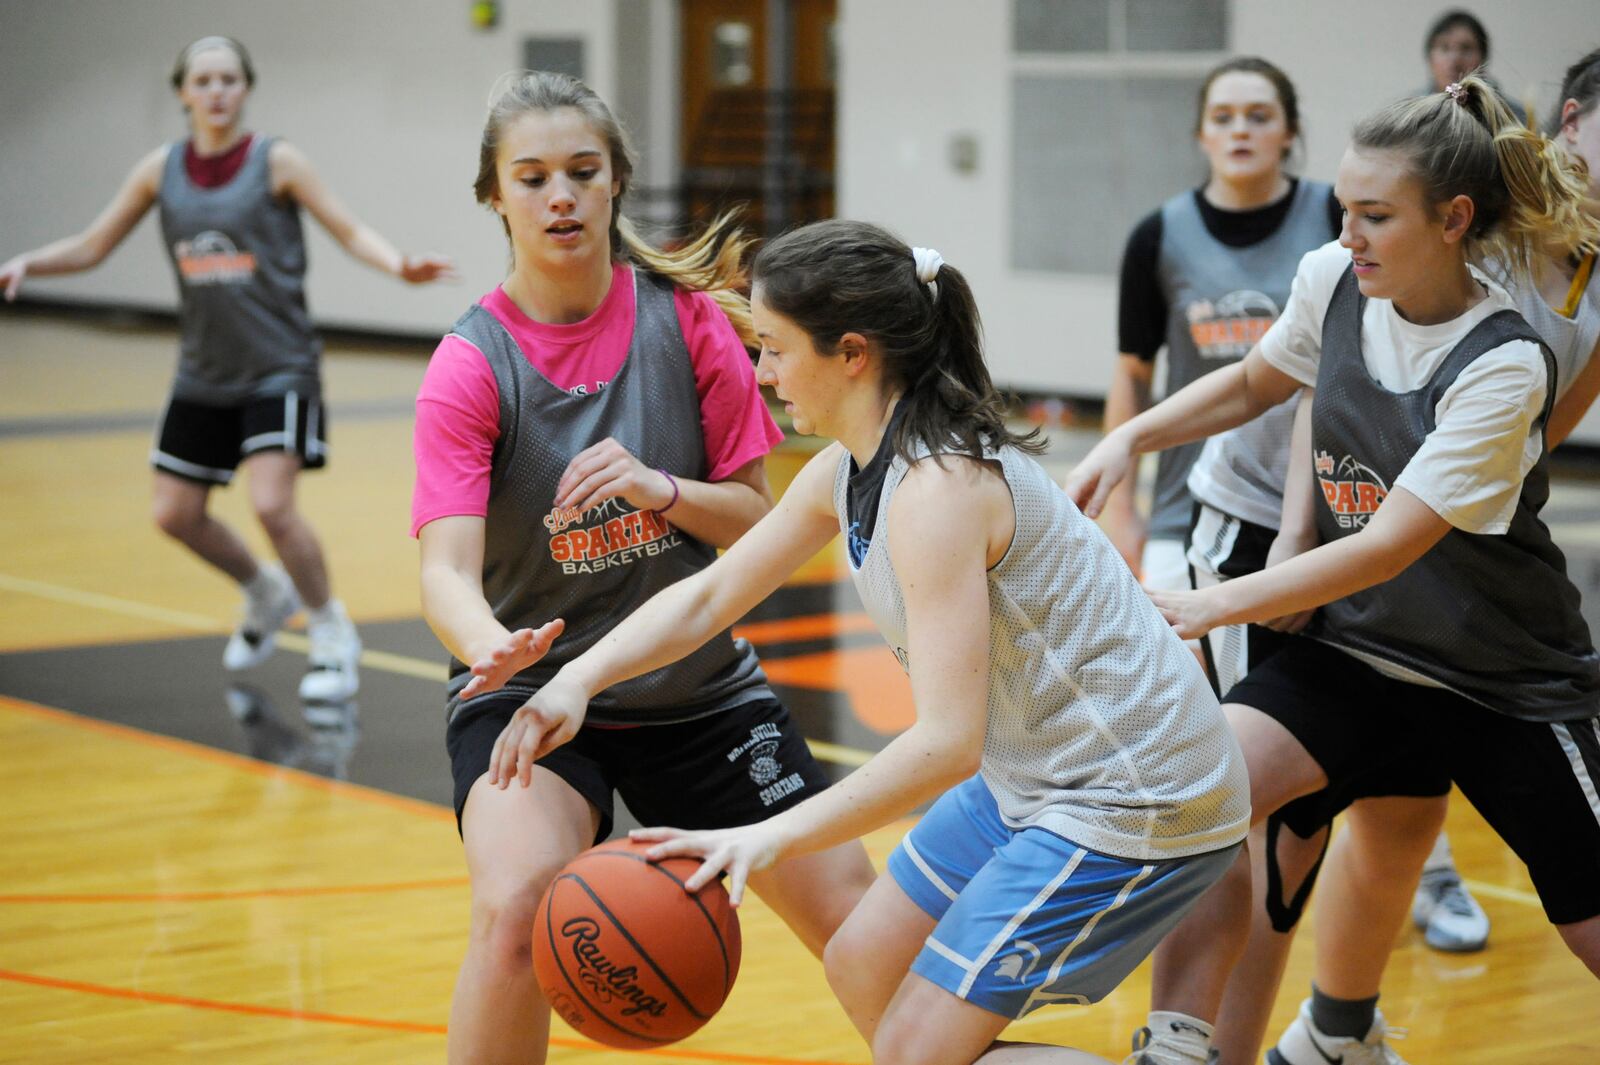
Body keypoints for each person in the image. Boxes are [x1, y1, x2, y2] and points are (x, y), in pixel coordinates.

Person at [479, 218, 1251, 1065]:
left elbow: (946, 743)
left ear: (852, 353)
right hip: (1035, 772)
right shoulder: (848, 466)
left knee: (917, 1049)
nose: (761, 371)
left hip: (1133, 792)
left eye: (773, 348)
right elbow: (708, 596)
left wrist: (764, 834)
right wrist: (576, 680)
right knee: (861, 961)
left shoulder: (939, 491)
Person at [1067, 75, 1600, 1065]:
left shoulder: (1504, 358)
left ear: (1452, 219)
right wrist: (1127, 440)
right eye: (1345, 210)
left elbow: (1387, 545)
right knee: (1197, 789)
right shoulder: (1334, 279)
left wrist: (1196, 604)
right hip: (1359, 647)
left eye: (1373, 216)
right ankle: (1181, 1045)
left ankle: (1332, 1033)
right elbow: (1256, 383)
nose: (1346, 233)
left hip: (1496, 674)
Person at [412, 72, 876, 1065]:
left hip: (696, 693)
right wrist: (491, 648)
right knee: (513, 906)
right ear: (495, 196)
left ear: (618, 181)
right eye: (531, 178)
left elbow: (756, 518)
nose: (560, 197)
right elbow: (445, 570)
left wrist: (659, 489)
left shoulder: (689, 321)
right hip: (535, 697)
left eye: (581, 172)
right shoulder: (470, 362)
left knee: (861, 921)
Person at [0, 35, 453, 700]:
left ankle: (331, 629)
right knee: (174, 514)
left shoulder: (278, 160)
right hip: (204, 371)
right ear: (183, 91)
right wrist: (29, 263)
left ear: (245, 88)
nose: (217, 92)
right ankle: (264, 590)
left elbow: (349, 230)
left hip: (280, 366)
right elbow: (94, 245)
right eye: (204, 80)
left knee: (272, 502)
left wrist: (397, 264)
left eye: (229, 80)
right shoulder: (161, 170)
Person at [1103, 59, 1340, 591]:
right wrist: (1123, 512)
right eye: (1223, 117)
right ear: (1201, 134)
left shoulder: (1335, 216)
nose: (1240, 130)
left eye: (1258, 116)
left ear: (1289, 132)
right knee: (1180, 672)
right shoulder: (1157, 236)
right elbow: (1132, 376)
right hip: (1183, 506)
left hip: (1309, 506)